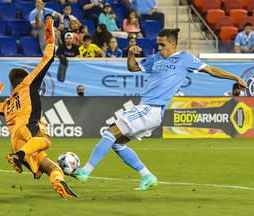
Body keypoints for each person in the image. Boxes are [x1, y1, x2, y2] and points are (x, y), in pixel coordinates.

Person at [71, 28, 248, 191]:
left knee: (110, 133)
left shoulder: (185, 58)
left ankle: (85, 172)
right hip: (148, 111)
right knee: (117, 143)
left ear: (173, 44)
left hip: (151, 109)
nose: (160, 48)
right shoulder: (155, 59)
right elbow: (132, 68)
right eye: (158, 45)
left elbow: (210, 70)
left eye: (163, 45)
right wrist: (131, 53)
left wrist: (234, 77)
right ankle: (147, 176)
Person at [0, 19, 78, 198]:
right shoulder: (27, 84)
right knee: (46, 140)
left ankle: (58, 182)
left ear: (12, 86)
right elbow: (47, 59)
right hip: (29, 129)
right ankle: (19, 156)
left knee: (51, 167)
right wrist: (51, 41)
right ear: (24, 79)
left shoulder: (7, 104)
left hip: (16, 139)